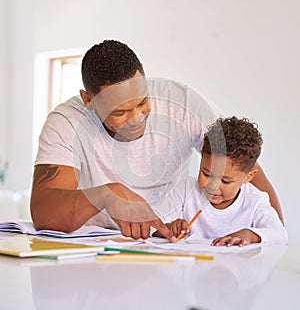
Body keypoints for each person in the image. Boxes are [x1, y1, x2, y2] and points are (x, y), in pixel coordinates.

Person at [30, 39, 284, 241]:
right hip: (97, 245)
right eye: (120, 112)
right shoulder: (67, 122)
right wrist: (109, 194)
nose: (136, 118)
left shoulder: (184, 105)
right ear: (89, 101)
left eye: (143, 102)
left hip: (163, 244)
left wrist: (271, 251)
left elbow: (246, 170)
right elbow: (44, 215)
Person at [153, 116, 287, 246]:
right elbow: (151, 226)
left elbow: (280, 234)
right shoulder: (184, 191)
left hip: (237, 267)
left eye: (226, 181)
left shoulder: (255, 200)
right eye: (206, 174)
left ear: (248, 177)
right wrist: (167, 229)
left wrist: (250, 235)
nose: (212, 186)